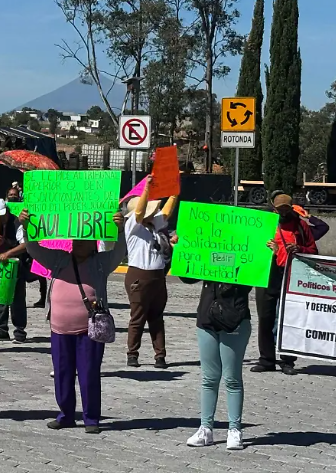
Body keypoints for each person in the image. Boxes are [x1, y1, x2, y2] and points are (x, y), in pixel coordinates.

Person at [21, 208, 126, 433]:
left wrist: (121, 229)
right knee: (62, 373)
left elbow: (120, 252)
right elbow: (33, 248)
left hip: (89, 330)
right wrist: (26, 226)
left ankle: (91, 419)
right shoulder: (58, 259)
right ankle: (66, 415)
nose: (79, 242)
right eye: (76, 238)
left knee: (89, 374)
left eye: (85, 239)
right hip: (59, 329)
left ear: (94, 243)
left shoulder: (102, 262)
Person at [174, 231, 277, 451]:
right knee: (209, 378)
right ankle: (205, 428)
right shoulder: (208, 255)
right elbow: (187, 276)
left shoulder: (246, 259)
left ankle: (234, 429)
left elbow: (263, 278)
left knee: (232, 378)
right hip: (207, 321)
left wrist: (269, 255)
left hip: (235, 322)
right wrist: (181, 249)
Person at [252, 192, 317, 375]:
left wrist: (299, 248)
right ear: (273, 207)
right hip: (267, 275)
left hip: (291, 276)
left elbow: (313, 250)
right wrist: (268, 250)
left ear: (291, 208)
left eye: (286, 209)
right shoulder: (265, 223)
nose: (282, 212)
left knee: (288, 319)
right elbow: (251, 247)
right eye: (279, 209)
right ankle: (266, 360)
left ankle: (287, 360)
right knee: (265, 318)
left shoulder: (301, 226)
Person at [124, 174, 178, 369]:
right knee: (138, 316)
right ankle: (132, 353)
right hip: (140, 274)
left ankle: (160, 355)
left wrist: (174, 192)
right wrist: (146, 188)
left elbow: (167, 213)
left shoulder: (153, 226)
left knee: (156, 317)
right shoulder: (133, 224)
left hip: (157, 276)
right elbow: (139, 211)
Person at [0, 197, 29, 343]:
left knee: (17, 298)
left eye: (3, 215)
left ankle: (19, 331)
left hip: (15, 264)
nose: (2, 218)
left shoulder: (16, 222)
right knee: (0, 296)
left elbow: (25, 244)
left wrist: (8, 251)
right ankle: (1, 329)